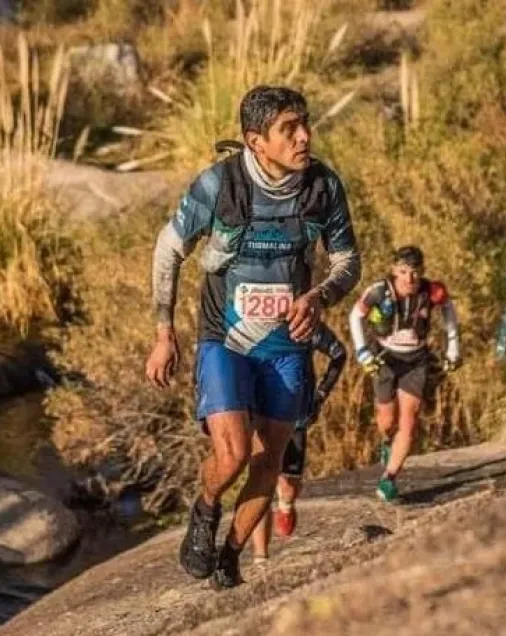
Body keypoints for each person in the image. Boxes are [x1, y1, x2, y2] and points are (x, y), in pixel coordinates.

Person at [145, 85, 361, 590]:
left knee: (270, 460)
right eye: (289, 129)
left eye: (305, 124)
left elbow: (348, 260)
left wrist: (320, 295)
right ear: (255, 140)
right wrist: (164, 332)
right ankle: (206, 507)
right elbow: (168, 248)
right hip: (226, 337)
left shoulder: (323, 186)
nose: (304, 137)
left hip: (287, 344)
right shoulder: (219, 184)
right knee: (233, 453)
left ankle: (231, 556)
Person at [347, 245, 460, 503]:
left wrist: (453, 348)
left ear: (422, 271)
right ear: (394, 271)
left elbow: (449, 311)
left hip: (416, 360)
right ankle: (388, 441)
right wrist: (362, 352)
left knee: (409, 421)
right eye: (403, 272)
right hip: (385, 359)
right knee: (387, 421)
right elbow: (355, 316)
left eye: (415, 272)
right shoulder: (378, 291)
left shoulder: (432, 291)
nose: (410, 278)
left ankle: (389, 479)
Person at [249, 322, 346, 563]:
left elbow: (339, 353)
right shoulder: (249, 323)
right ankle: (261, 557)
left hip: (295, 417)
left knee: (288, 486)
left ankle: (286, 504)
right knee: (261, 482)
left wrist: (320, 394)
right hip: (259, 413)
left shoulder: (305, 324)